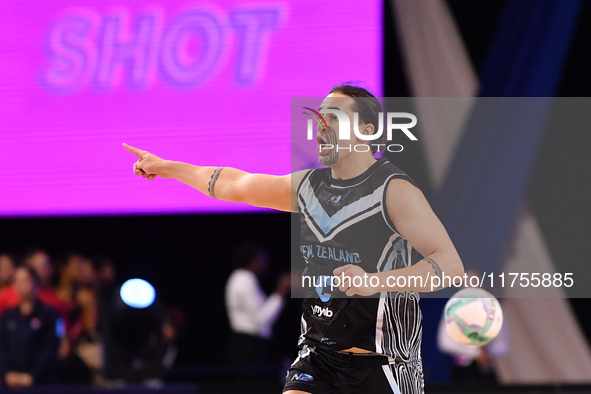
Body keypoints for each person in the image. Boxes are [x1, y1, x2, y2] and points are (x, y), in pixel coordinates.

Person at [123, 83, 464, 394]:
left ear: (366, 130)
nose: (321, 125)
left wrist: (374, 281)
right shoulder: (306, 187)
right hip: (317, 358)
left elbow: (450, 268)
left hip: (384, 366)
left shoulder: (395, 191)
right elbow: (232, 183)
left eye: (333, 116)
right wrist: (166, 167)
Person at [225, 242, 291, 364]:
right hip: (248, 345)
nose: (266, 262)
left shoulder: (242, 278)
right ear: (253, 259)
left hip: (249, 343)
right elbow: (261, 319)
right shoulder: (244, 278)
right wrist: (281, 292)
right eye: (262, 258)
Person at [0, 266, 62, 387]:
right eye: (18, 281)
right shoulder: (7, 316)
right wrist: (7, 373)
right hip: (11, 384)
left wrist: (32, 376)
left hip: (42, 384)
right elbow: (1, 348)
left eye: (26, 280)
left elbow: (50, 349)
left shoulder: (49, 315)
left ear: (35, 283)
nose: (22, 285)